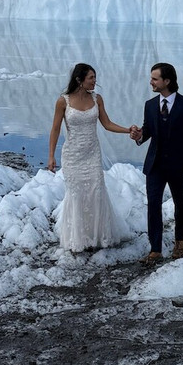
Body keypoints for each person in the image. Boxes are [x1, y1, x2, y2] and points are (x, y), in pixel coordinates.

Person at [47, 63, 134, 252]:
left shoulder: (97, 99)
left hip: (92, 154)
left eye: (95, 77)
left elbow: (107, 123)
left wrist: (127, 130)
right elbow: (55, 129)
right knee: (77, 195)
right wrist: (51, 156)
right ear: (79, 80)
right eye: (91, 78)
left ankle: (98, 236)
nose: (95, 81)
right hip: (72, 156)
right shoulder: (63, 101)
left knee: (96, 193)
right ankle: (78, 238)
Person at [130, 62, 183, 263]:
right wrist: (138, 135)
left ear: (167, 81)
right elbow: (148, 130)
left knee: (181, 203)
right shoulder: (150, 105)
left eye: (154, 78)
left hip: (179, 165)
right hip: (155, 165)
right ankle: (155, 249)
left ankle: (180, 243)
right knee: (153, 205)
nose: (151, 82)